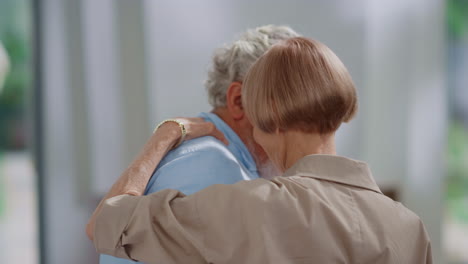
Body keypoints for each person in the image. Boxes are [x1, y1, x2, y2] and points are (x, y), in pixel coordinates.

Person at [88, 37, 432, 263]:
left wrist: (166, 133)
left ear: (271, 117)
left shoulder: (252, 207)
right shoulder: (408, 228)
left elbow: (108, 222)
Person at [99, 25, 300, 264]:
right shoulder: (214, 165)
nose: (301, 127)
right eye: (291, 106)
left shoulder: (218, 157)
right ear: (238, 100)